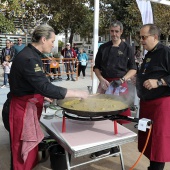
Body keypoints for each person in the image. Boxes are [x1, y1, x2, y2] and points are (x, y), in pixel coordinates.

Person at [5, 24, 88, 170]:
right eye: (52, 41)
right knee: (21, 154)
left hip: (25, 108)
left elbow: (33, 83)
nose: (53, 44)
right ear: (43, 39)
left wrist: (42, 95)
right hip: (20, 111)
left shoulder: (32, 54)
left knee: (27, 153)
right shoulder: (29, 58)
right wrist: (78, 93)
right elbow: (45, 87)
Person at [91, 20, 137, 159]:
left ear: (121, 32)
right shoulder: (104, 47)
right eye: (112, 31)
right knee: (102, 114)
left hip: (120, 84)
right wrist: (101, 79)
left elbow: (133, 68)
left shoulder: (128, 48)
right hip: (105, 83)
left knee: (117, 116)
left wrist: (122, 80)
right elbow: (96, 67)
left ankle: (113, 146)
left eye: (117, 31)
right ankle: (106, 145)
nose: (114, 34)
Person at [136, 24, 170, 170]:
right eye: (140, 37)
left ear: (155, 37)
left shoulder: (165, 52)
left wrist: (159, 82)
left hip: (160, 105)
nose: (141, 40)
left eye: (144, 37)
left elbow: (159, 79)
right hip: (147, 104)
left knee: (158, 142)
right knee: (148, 141)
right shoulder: (148, 54)